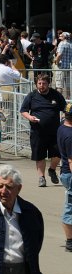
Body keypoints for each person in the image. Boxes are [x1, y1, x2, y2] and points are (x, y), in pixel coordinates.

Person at [20, 73, 67, 187]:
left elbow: (65, 108)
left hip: (54, 131)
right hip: (38, 131)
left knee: (58, 153)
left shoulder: (56, 95)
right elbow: (23, 110)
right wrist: (30, 117)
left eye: (44, 84)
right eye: (39, 83)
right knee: (39, 155)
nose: (41, 86)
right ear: (36, 84)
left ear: (48, 84)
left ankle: (52, 169)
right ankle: (42, 178)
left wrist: (65, 117)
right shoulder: (32, 95)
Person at [57, 102, 72, 253]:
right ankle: (70, 241)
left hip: (65, 173)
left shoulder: (62, 127)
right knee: (70, 208)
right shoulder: (70, 136)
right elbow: (71, 161)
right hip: (70, 174)